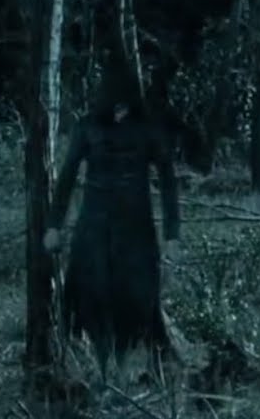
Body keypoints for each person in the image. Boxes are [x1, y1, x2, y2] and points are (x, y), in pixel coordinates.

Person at [43, 62, 182, 382]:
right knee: (92, 297)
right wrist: (53, 225)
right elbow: (66, 177)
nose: (119, 104)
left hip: (135, 230)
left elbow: (168, 180)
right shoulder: (88, 127)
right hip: (94, 228)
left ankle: (132, 368)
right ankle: (98, 368)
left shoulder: (148, 128)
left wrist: (172, 234)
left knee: (136, 300)